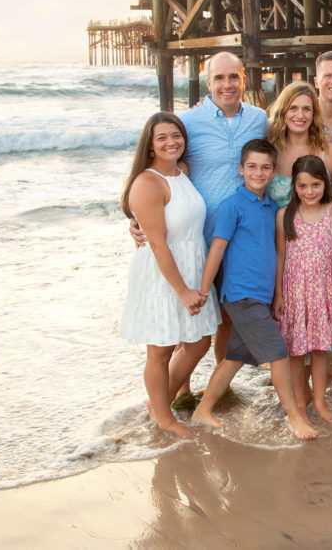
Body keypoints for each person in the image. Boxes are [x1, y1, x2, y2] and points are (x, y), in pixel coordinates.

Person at [132, 52, 268, 364]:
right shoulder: (189, 123)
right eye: (219, 78)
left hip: (244, 238)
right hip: (198, 239)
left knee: (226, 316)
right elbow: (157, 170)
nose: (227, 84)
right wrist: (136, 218)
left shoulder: (259, 119)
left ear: (244, 79)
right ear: (207, 83)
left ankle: (220, 391)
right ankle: (180, 392)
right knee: (186, 322)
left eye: (233, 76)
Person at [190, 139, 318, 440]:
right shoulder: (232, 205)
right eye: (252, 167)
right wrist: (204, 290)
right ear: (241, 169)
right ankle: (295, 418)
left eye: (265, 167)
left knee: (234, 357)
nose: (258, 173)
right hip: (241, 294)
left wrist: (277, 295)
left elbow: (276, 253)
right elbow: (217, 249)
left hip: (261, 297)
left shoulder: (272, 209)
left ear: (273, 172)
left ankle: (203, 410)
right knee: (278, 353)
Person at [119, 112, 221, 437]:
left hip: (192, 264)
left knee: (199, 341)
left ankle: (157, 403)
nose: (170, 142)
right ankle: (165, 418)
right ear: (150, 144)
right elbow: (159, 245)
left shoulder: (183, 172)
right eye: (161, 137)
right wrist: (182, 290)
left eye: (175, 135)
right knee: (160, 349)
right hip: (163, 275)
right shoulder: (147, 183)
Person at [272, 156, 332, 422]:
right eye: (303, 186)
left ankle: (320, 403)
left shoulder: (330, 210)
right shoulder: (285, 215)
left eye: (315, 185)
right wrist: (278, 295)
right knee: (295, 352)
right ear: (294, 186)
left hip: (323, 292)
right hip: (295, 293)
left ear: (324, 184)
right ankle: (300, 407)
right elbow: (281, 255)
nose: (309, 191)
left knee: (319, 350)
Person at [265, 81, 332, 207]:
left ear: (314, 114)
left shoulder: (331, 153)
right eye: (293, 108)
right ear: (282, 111)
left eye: (306, 109)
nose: (300, 115)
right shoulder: (268, 152)